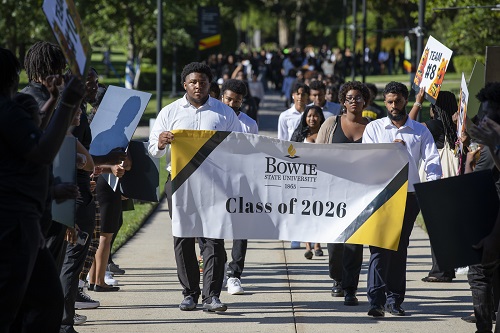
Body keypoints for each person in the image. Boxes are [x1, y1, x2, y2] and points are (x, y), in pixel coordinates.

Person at [0, 47, 84, 333]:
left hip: (26, 219)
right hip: (13, 226)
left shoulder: (12, 109)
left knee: (45, 300)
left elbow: (30, 145)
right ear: (11, 77)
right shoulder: (9, 110)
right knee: (18, 305)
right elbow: (42, 150)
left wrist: (56, 98)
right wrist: (69, 102)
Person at [148, 62, 241, 312]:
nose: (198, 86)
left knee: (214, 238)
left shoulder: (224, 113)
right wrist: (161, 142)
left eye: (202, 81)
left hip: (216, 184)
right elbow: (153, 151)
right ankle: (190, 293)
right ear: (184, 85)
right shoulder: (170, 112)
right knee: (183, 237)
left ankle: (212, 296)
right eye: (193, 82)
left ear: (210, 84)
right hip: (179, 183)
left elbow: (241, 147)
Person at [362, 81, 442, 317]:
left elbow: (432, 160)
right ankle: (375, 301)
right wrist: (389, 150)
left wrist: (433, 185)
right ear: (384, 102)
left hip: (409, 196)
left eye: (397, 101)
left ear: (405, 100)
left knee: (399, 248)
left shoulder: (420, 130)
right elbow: (366, 160)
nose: (393, 105)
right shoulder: (374, 128)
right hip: (382, 195)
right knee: (378, 246)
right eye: (389, 101)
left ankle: (394, 300)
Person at [316, 81, 370, 306]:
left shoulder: (373, 127)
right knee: (335, 243)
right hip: (333, 193)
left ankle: (350, 288)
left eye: (358, 97)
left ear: (365, 101)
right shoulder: (331, 123)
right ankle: (337, 278)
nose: (354, 101)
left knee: (354, 244)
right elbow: (315, 154)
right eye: (349, 98)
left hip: (360, 194)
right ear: (342, 102)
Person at [410, 89, 459, 283]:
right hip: (454, 180)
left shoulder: (434, 125)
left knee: (437, 226)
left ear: (434, 108)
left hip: (437, 181)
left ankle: (441, 271)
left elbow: (409, 127)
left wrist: (418, 102)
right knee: (448, 226)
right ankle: (447, 269)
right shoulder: (457, 127)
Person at [219, 79, 258, 295]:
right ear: (221, 97)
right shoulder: (213, 118)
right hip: (215, 179)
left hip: (241, 179)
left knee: (240, 229)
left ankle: (234, 274)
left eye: (237, 101)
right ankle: (219, 267)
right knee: (213, 228)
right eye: (229, 99)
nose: (233, 104)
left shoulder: (249, 124)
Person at [290, 105, 326, 258]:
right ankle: (307, 246)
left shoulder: (327, 133)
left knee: (319, 212)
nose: (312, 119)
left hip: (322, 179)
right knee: (305, 213)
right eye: (309, 115)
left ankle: (318, 244)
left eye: (316, 115)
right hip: (303, 180)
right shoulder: (299, 135)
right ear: (305, 118)